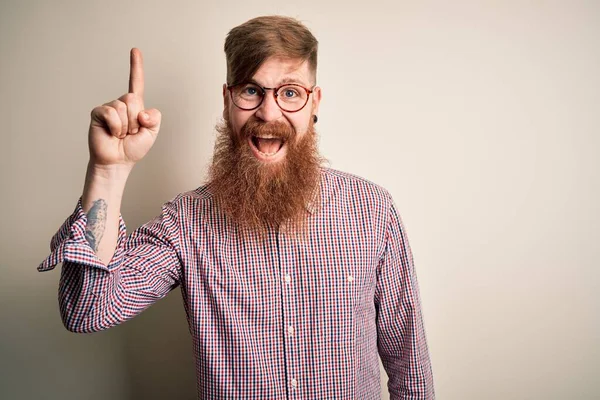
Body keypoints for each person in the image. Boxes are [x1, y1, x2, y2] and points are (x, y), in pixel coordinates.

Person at [38, 15, 435, 399]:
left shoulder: (372, 209)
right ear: (227, 100)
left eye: (290, 92)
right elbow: (87, 311)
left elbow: (409, 366)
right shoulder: (186, 221)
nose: (268, 112)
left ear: (315, 102)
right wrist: (109, 171)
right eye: (251, 90)